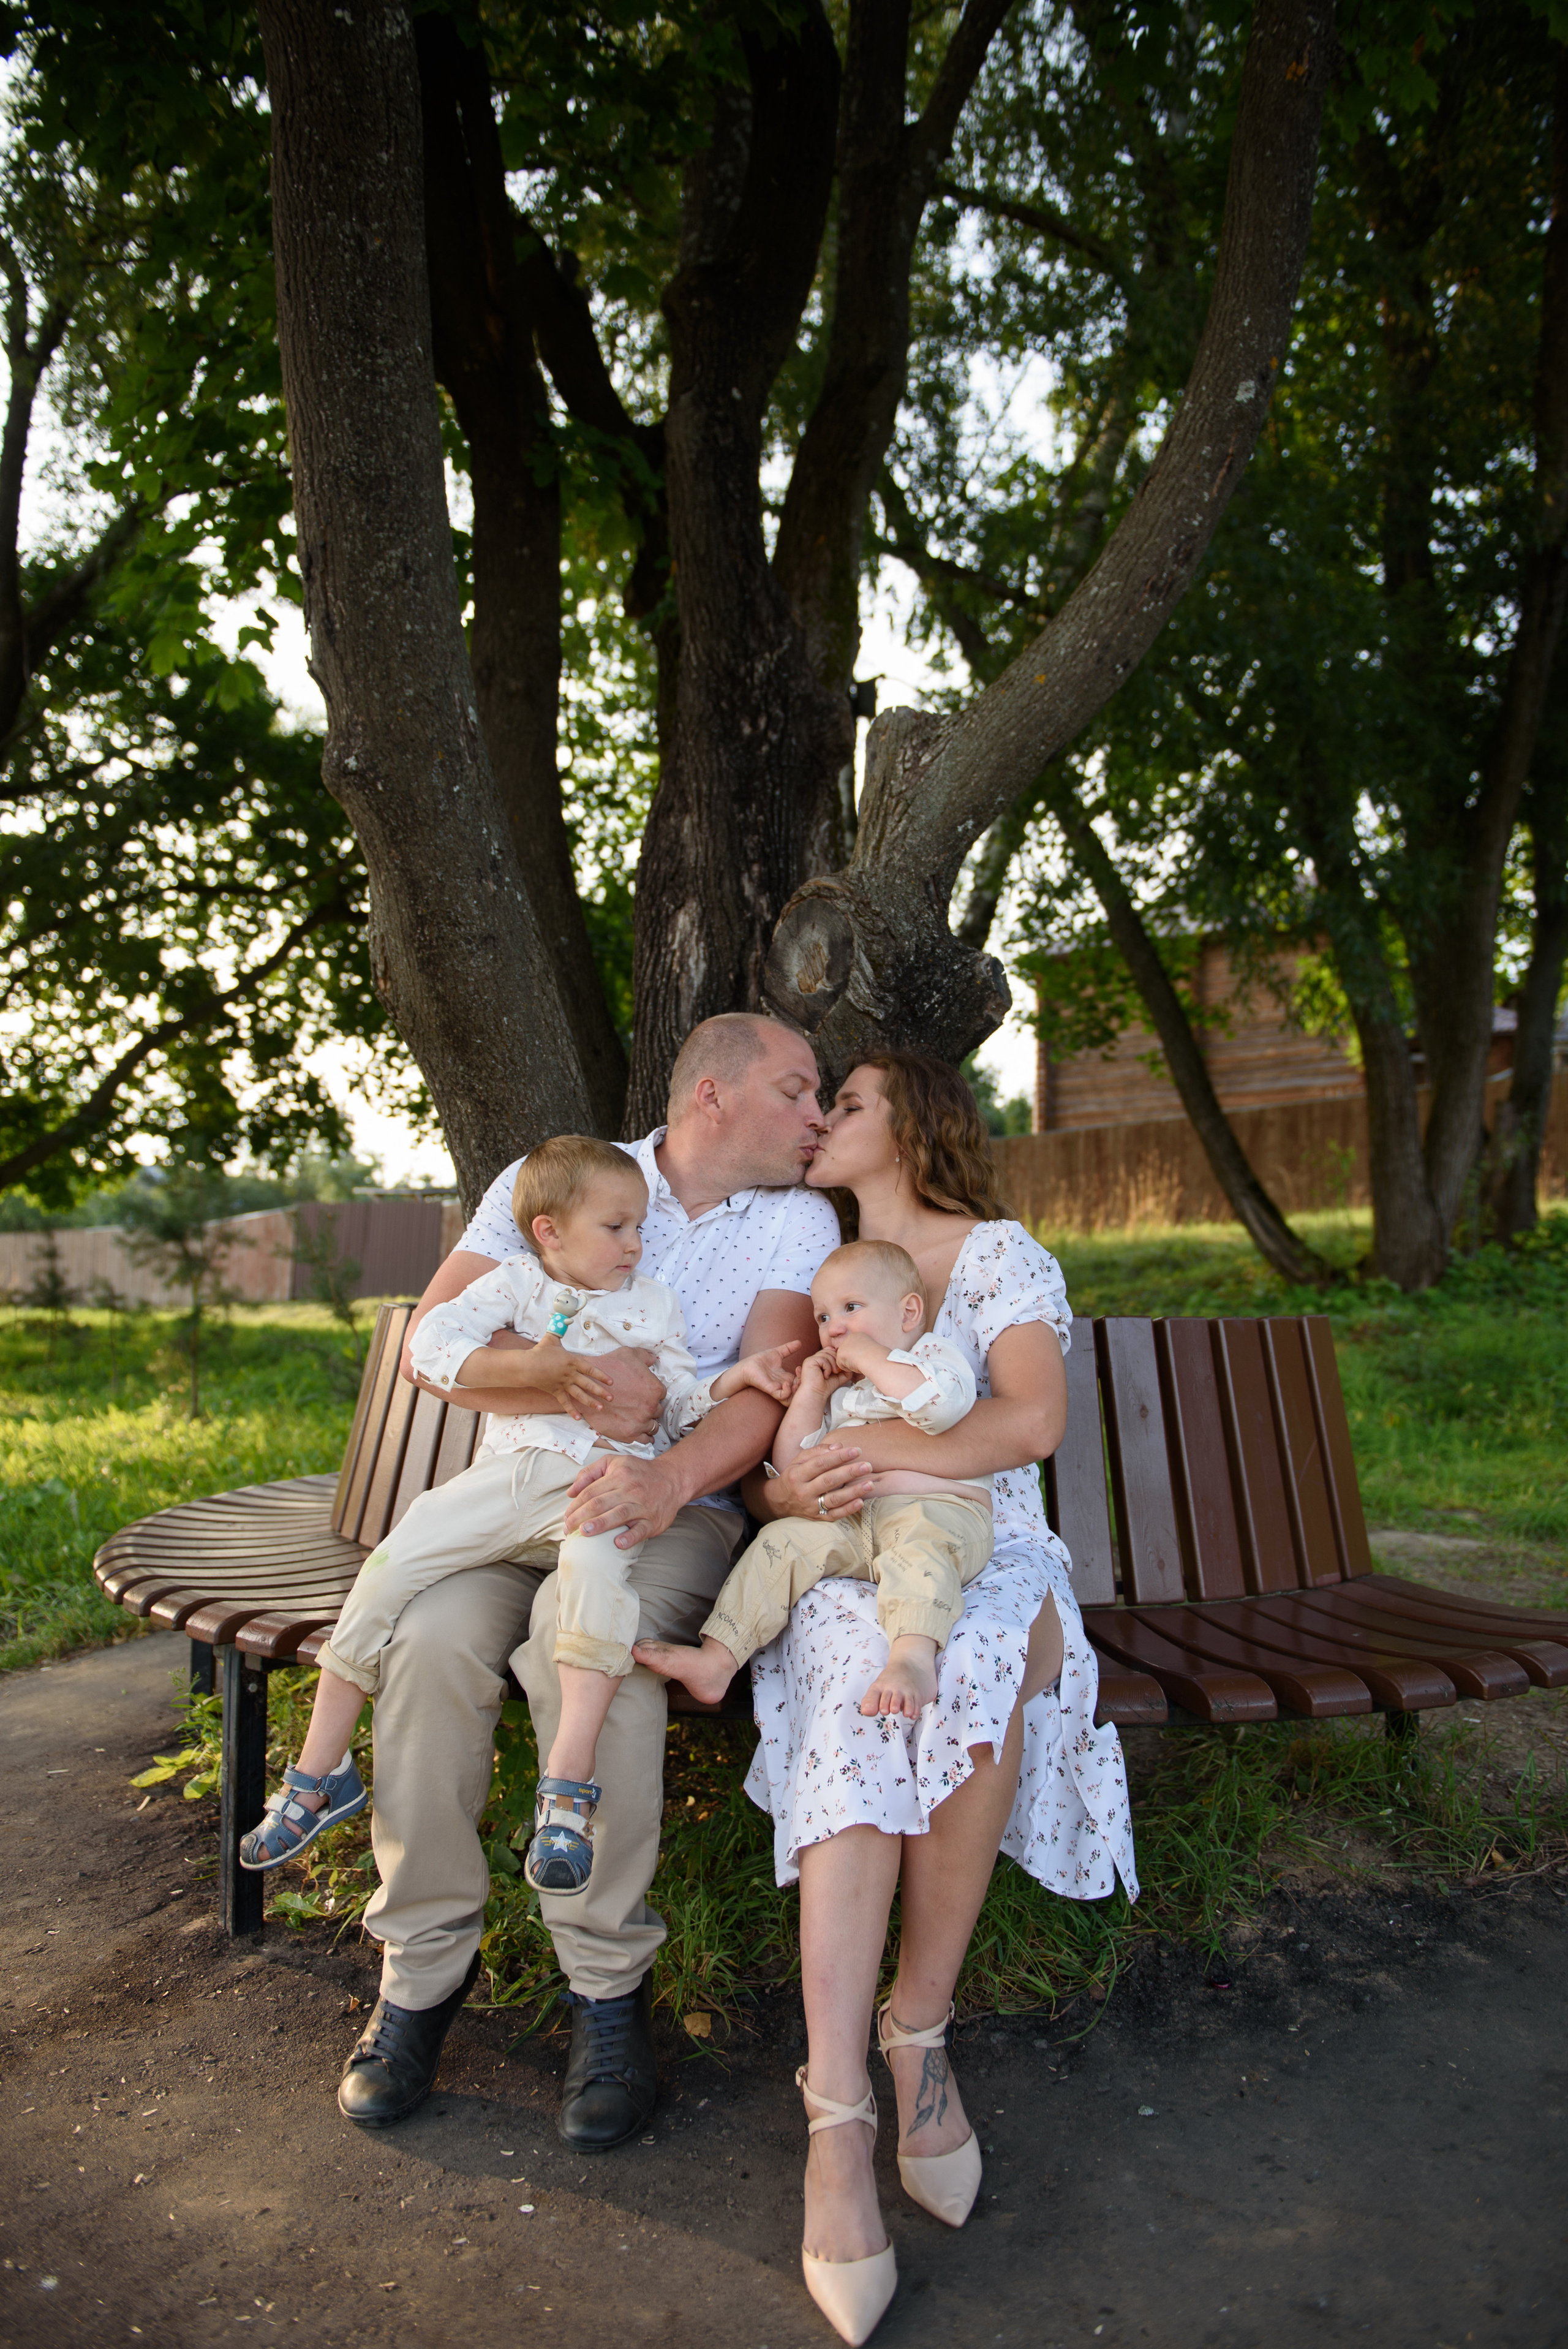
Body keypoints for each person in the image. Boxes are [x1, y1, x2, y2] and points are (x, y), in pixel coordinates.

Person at [330, 1014, 845, 2145]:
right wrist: (554, 1370)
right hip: (521, 1496)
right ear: (713, 1093)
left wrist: (662, 1482)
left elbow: (759, 1394)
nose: (821, 1118)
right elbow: (434, 1337)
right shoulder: (552, 1179)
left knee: (586, 1642)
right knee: (427, 1640)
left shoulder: (797, 1218)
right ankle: (418, 1974)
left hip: (674, 1513)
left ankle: (605, 1988)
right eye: (801, 1091)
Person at [740, 1051, 1138, 2345]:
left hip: (981, 1537)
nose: (817, 1124)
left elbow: (1026, 1425)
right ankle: (837, 2114)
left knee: (974, 1664)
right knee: (862, 1677)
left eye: (841, 1104)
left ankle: (918, 2033)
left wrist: (880, 1452)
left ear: (908, 1121)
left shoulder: (995, 1254)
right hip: (845, 1551)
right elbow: (772, 1471)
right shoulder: (815, 1262)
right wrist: (794, 1487)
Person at [237, 1135, 799, 1894]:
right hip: (508, 1480)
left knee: (594, 1589)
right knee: (390, 1573)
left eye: (640, 1228)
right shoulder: (515, 1287)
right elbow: (429, 1343)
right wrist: (531, 1368)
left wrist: (735, 1379)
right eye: (618, 1229)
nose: (637, 1245)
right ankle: (319, 1768)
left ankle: (565, 1793)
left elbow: (673, 1405)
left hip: (599, 1483)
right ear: (549, 1232)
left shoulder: (650, 1306)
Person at [635, 1236, 992, 1722]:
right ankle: (720, 1658)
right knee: (780, 1542)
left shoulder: (932, 1356)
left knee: (920, 1555)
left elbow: (940, 1407)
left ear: (909, 1313)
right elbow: (790, 1466)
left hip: (937, 1512)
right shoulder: (841, 1393)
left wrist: (869, 1357)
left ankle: (912, 1658)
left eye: (851, 1308)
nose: (834, 1328)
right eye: (823, 1317)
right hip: (851, 1519)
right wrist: (810, 1396)